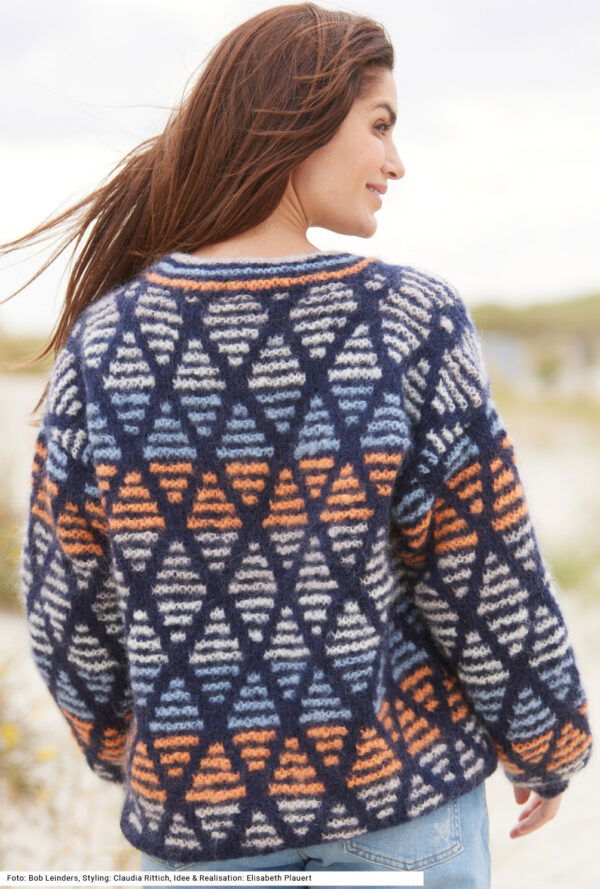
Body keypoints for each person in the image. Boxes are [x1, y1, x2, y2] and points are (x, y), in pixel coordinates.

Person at [5, 4, 592, 887]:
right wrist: (545, 738)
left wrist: (141, 746)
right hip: (399, 810)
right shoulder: (408, 321)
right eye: (381, 125)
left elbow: (69, 603)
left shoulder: (109, 341)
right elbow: (481, 568)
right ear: (301, 119)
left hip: (199, 830)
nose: (397, 161)